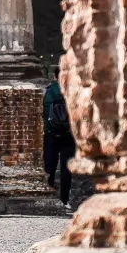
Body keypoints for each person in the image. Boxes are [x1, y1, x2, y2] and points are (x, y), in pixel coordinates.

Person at [43, 78, 77, 207]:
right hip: (69, 135)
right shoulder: (74, 91)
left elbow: (41, 113)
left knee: (49, 167)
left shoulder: (47, 92)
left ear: (54, 77)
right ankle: (64, 200)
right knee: (66, 169)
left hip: (50, 134)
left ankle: (49, 196)